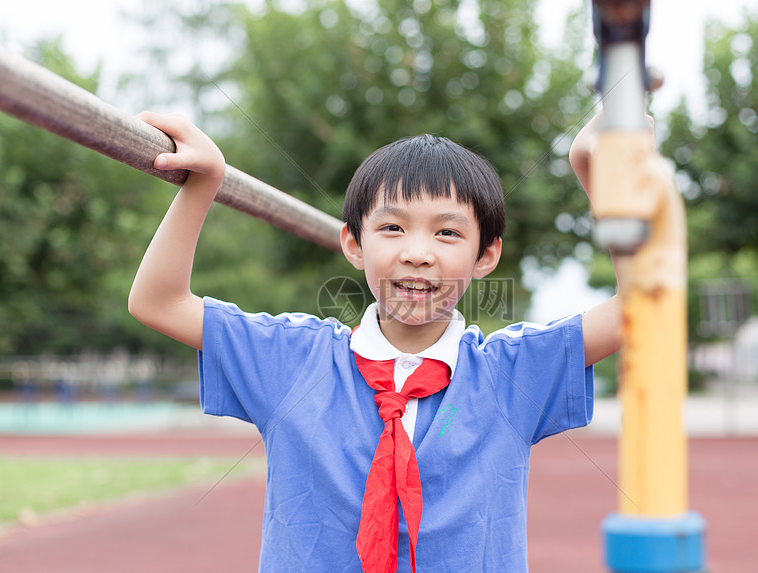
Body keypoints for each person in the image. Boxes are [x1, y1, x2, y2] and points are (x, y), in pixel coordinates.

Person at [129, 110, 622, 572]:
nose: (417, 253)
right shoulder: (292, 359)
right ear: (353, 244)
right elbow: (158, 302)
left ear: (486, 255)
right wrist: (203, 186)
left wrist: (594, 171)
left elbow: (641, 308)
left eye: (447, 233)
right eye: (391, 227)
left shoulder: (512, 371)